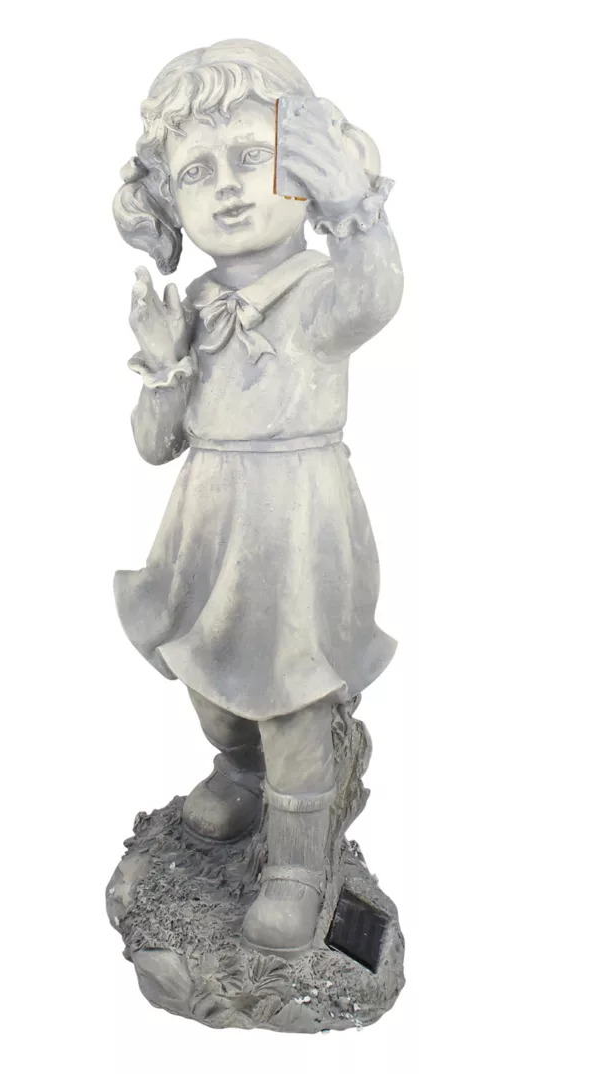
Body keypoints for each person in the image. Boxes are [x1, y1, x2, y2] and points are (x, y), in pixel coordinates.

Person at [111, 39, 402, 956]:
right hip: (209, 525)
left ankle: (300, 865)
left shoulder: (318, 293)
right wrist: (165, 367)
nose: (230, 187)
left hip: (296, 517)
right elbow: (154, 446)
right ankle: (239, 773)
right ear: (169, 199)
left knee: (293, 695)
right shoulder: (195, 306)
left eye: (252, 156)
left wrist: (354, 210)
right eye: (198, 171)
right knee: (210, 680)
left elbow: (375, 295)